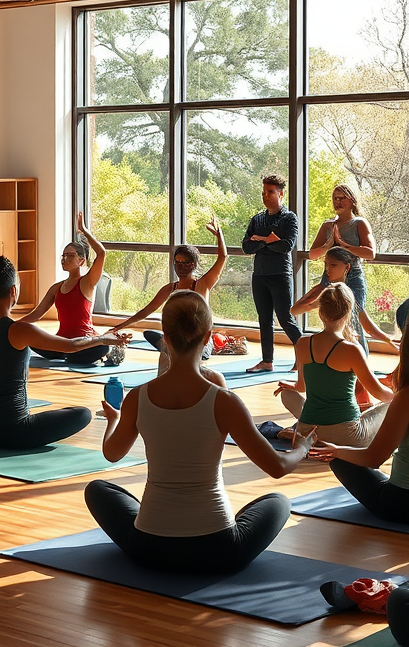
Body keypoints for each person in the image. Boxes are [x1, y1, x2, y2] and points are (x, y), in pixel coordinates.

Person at [85, 290, 314, 574]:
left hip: (148, 548)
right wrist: (302, 448)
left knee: (97, 490)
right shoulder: (224, 400)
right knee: (279, 502)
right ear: (207, 337)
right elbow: (278, 467)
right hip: (218, 551)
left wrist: (114, 420)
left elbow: (112, 453)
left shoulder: (137, 398)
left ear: (165, 338)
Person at [0, 256, 130, 449]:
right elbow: (71, 345)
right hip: (12, 432)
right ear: (14, 291)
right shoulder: (20, 330)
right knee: (83, 414)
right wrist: (103, 339)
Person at [275, 282, 392, 447]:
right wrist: (399, 396)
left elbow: (302, 387)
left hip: (306, 435)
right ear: (348, 313)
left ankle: (305, 434)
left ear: (321, 312)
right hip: (348, 437)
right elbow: (380, 394)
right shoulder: (352, 350)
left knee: (286, 394)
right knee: (389, 405)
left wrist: (291, 386)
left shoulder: (302, 343)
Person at [110, 217, 228, 373]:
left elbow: (223, 257)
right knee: (162, 343)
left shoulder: (202, 284)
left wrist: (219, 235)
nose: (180, 267)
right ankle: (163, 375)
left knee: (169, 348)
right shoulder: (170, 288)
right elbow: (146, 310)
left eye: (185, 263)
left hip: (199, 341)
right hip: (177, 338)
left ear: (193, 265)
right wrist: (118, 327)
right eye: (177, 262)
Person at [313, 333, 409, 523]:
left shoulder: (405, 397)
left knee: (340, 461)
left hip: (401, 504)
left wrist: (337, 451)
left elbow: (373, 458)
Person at [21, 212, 131, 365]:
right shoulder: (56, 288)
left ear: (81, 260)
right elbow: (37, 313)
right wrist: (14, 325)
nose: (65, 259)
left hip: (84, 342)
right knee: (28, 337)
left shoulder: (86, 282)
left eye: (70, 255)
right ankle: (69, 354)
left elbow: (101, 253)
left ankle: (96, 351)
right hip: (61, 343)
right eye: (63, 256)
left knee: (91, 350)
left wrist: (84, 231)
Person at [242, 174, 302, 372]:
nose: (265, 196)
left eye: (270, 192)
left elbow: (286, 246)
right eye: (263, 192)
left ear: (281, 194)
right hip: (259, 275)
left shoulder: (289, 218)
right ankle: (267, 361)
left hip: (280, 275)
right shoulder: (257, 218)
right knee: (264, 319)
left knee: (285, 317)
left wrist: (263, 241)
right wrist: (268, 240)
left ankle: (304, 357)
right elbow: (246, 246)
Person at [308, 183, 377, 348]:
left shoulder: (359, 223)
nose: (337, 202)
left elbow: (371, 253)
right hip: (331, 278)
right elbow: (312, 254)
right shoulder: (327, 225)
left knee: (354, 320)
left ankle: (361, 364)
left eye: (342, 198)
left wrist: (345, 246)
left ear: (352, 200)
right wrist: (328, 246)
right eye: (335, 198)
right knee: (331, 320)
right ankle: (335, 360)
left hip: (353, 277)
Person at [291, 247, 397, 353]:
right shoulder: (326, 291)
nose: (328, 269)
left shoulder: (349, 295)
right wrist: (317, 301)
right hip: (334, 347)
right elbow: (294, 310)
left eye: (333, 265)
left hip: (352, 347)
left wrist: (390, 342)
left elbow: (368, 326)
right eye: (326, 265)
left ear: (347, 267)